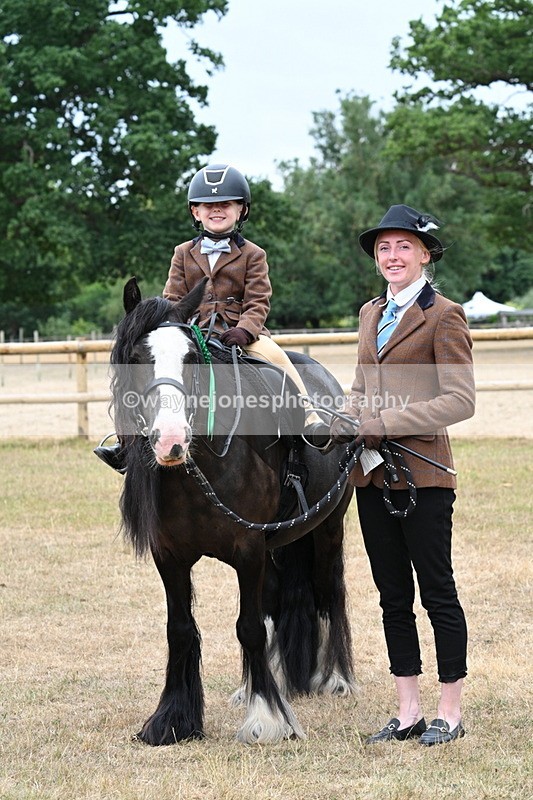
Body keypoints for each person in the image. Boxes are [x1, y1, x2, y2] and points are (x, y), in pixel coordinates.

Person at [330, 204, 475, 746]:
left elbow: (459, 400)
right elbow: (361, 386)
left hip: (424, 477)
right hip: (372, 478)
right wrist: (344, 417)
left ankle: (449, 712)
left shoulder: (445, 316)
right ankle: (408, 710)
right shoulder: (370, 313)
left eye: (403, 247)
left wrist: (385, 423)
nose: (392, 256)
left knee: (437, 593)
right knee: (392, 595)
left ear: (425, 254)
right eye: (384, 248)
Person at [95, 164, 329, 469]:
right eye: (208, 205)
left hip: (241, 335)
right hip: (193, 333)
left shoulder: (254, 254)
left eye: (225, 204)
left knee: (276, 356)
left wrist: (245, 330)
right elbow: (173, 299)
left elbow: (258, 301)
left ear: (241, 210)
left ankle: (309, 417)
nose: (216, 210)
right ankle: (128, 441)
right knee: (154, 371)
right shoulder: (182, 253)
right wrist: (176, 328)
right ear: (196, 212)